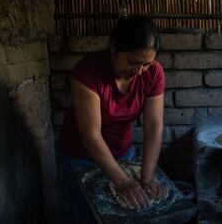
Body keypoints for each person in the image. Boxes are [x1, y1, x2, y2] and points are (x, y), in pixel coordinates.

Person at [60, 16, 168, 223]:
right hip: (82, 155)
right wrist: (123, 181)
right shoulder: (87, 72)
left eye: (146, 64)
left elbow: (154, 126)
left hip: (122, 151)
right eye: (132, 62)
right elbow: (91, 136)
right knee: (88, 215)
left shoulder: (153, 74)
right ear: (114, 47)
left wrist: (146, 176)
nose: (138, 71)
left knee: (126, 215)